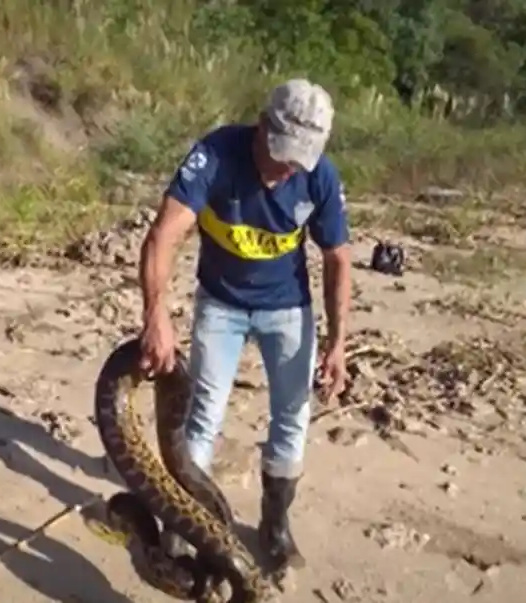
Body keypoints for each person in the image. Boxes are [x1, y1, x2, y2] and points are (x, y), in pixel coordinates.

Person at [137, 79, 351, 573]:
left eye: (299, 159)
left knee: (292, 415)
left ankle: (275, 527)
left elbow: (338, 257)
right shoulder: (214, 154)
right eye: (281, 154)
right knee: (203, 411)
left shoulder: (318, 176)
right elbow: (164, 233)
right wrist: (156, 316)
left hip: (287, 307)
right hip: (222, 303)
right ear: (262, 125)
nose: (287, 169)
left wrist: (339, 344)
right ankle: (183, 519)